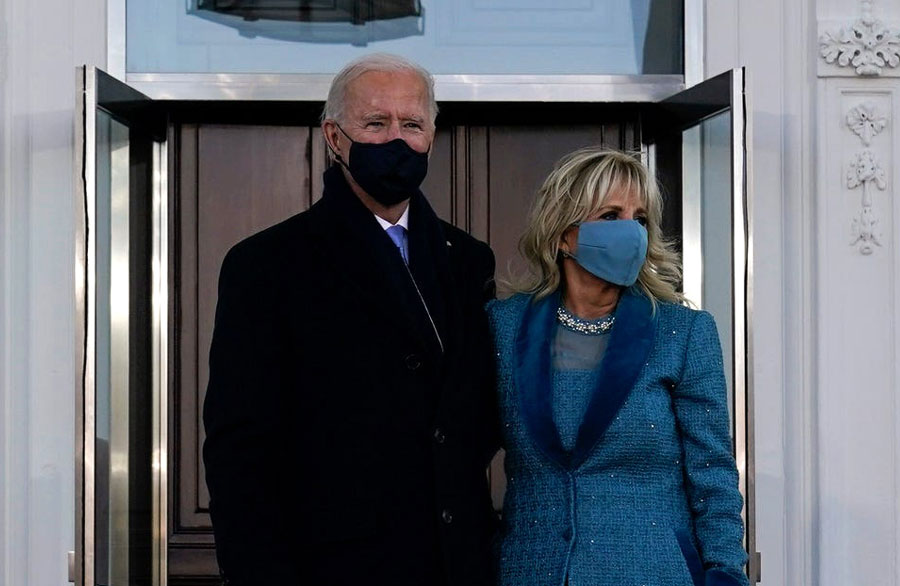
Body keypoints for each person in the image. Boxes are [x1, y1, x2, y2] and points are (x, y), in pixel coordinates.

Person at [202, 54, 498, 586]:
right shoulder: (268, 265)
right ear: (335, 137)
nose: (397, 140)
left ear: (432, 135)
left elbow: (478, 420)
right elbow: (239, 452)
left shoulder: (469, 261)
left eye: (412, 124)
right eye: (376, 123)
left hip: (457, 566)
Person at [488, 147, 749, 586]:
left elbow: (713, 476)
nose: (630, 231)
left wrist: (726, 574)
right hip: (531, 570)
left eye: (640, 219)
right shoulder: (503, 326)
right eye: (610, 215)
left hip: (654, 572)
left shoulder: (682, 333)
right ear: (562, 235)